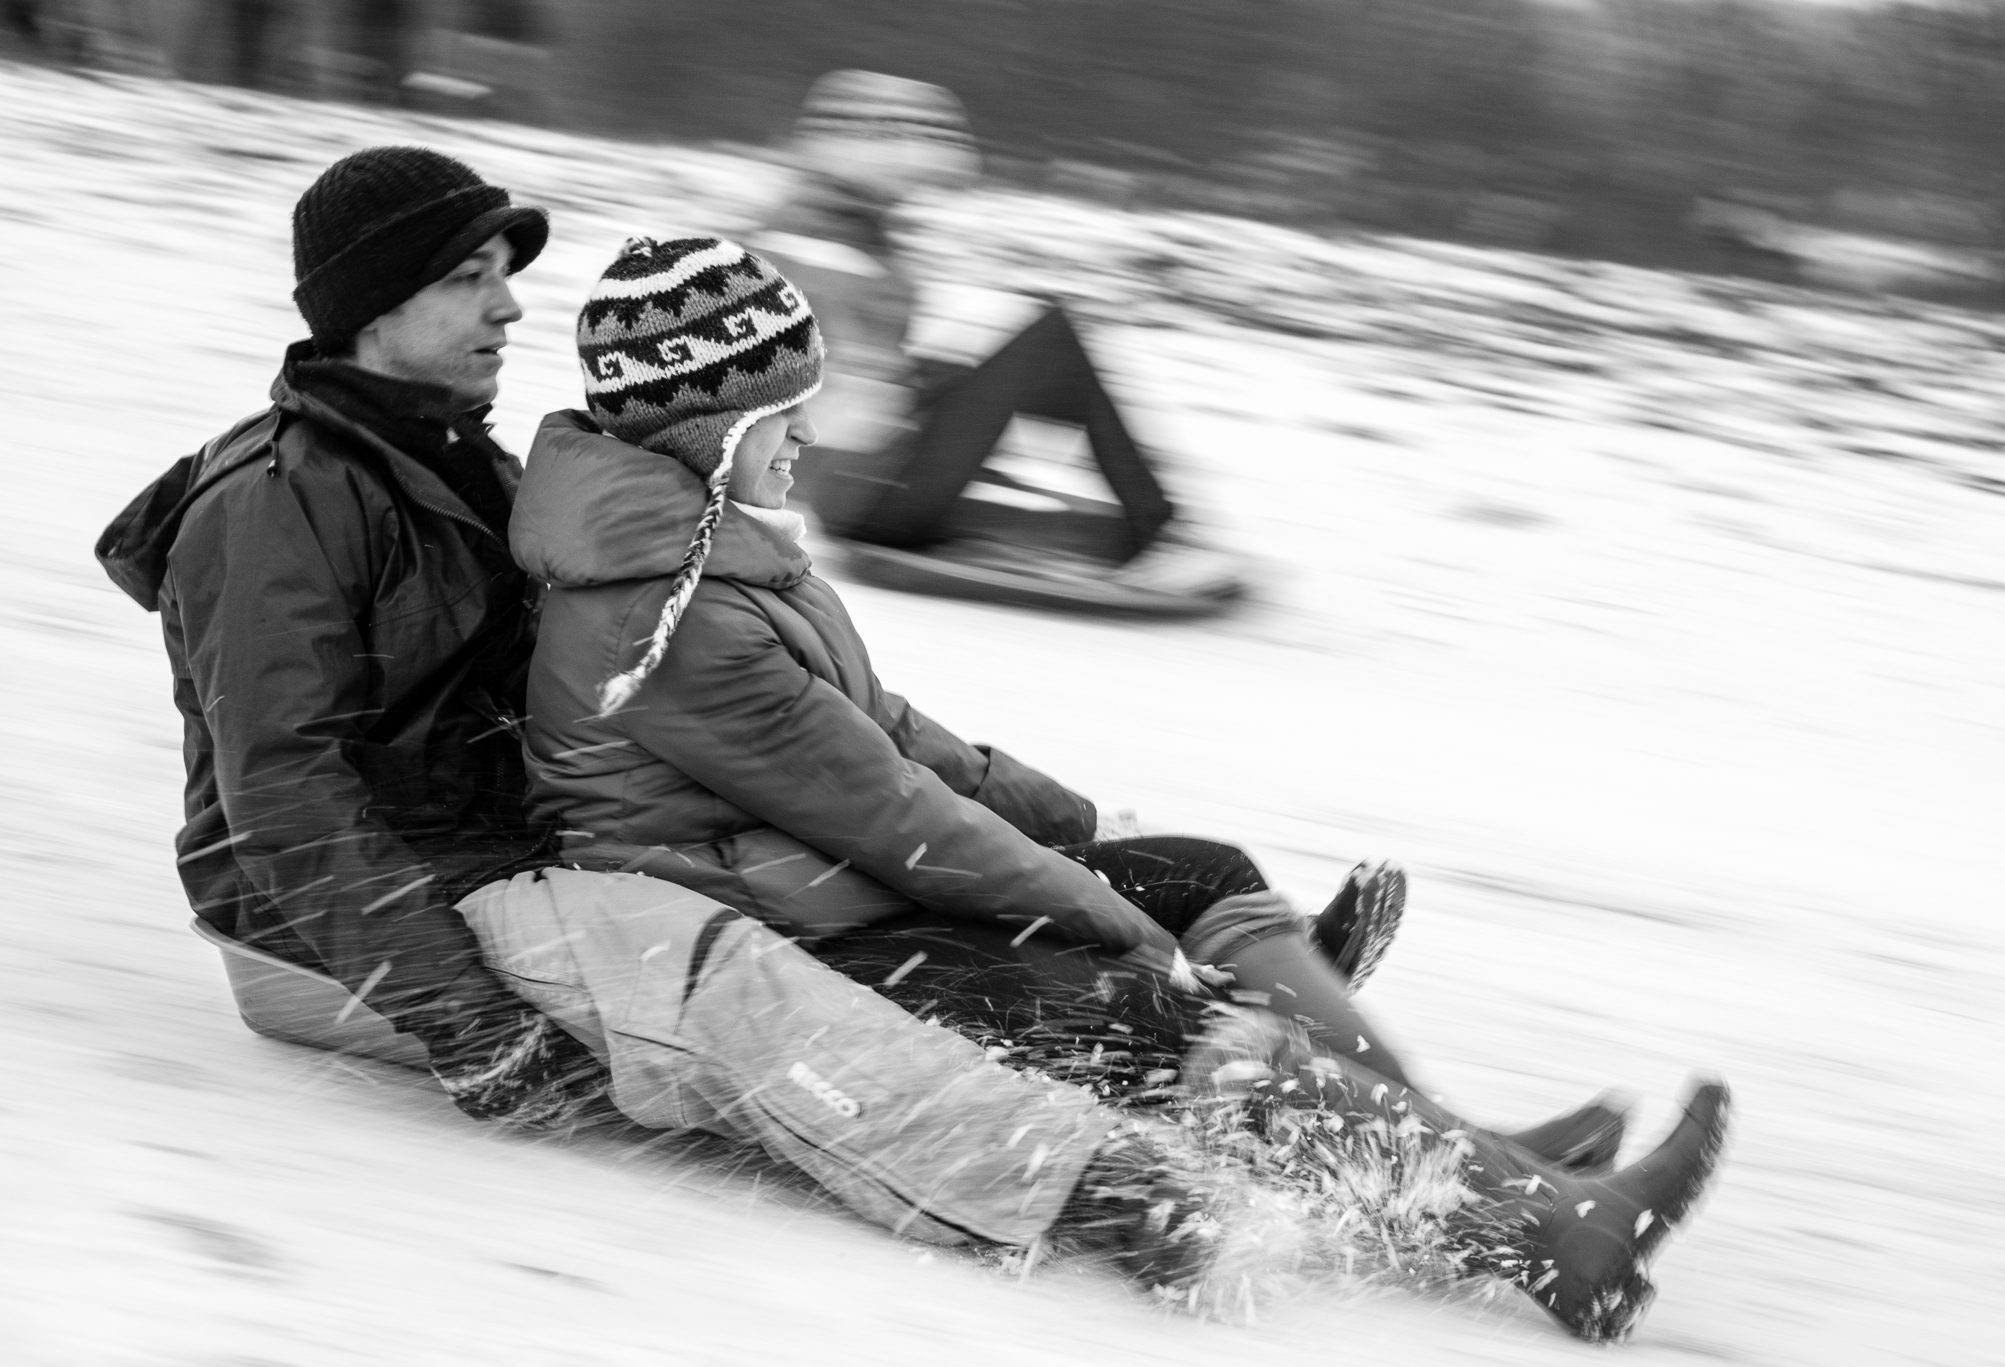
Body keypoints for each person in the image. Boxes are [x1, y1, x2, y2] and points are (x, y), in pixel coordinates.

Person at [516, 233, 1731, 1341]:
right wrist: (1108, 918)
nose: (812, 439)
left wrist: (1083, 834)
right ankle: (1547, 1233)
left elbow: (893, 737)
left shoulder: (719, 555)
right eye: (788, 411)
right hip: (797, 942)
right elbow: (895, 818)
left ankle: (1468, 1155)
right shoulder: (670, 618)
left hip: (839, 883)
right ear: (710, 425)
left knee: (1196, 871)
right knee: (1160, 1017)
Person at [94, 147, 1225, 1288]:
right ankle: (1084, 1183)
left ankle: (1168, 1036)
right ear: (370, 303)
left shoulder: (459, 461)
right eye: (465, 276)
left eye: (504, 269)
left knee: (840, 893)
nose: (509, 300)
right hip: (351, 927)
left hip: (512, 858)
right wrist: (464, 1016)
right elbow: (285, 801)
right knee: (710, 974)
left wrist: (1066, 836)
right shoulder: (275, 505)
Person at [753, 69, 1245, 608]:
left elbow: (861, 372)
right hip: (867, 500)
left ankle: (1153, 526)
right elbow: (823, 382)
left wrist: (940, 393)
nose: (916, 193)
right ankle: (1160, 530)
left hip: (862, 485)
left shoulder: (842, 232)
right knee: (1048, 338)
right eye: (910, 179)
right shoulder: (815, 245)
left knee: (1012, 355)